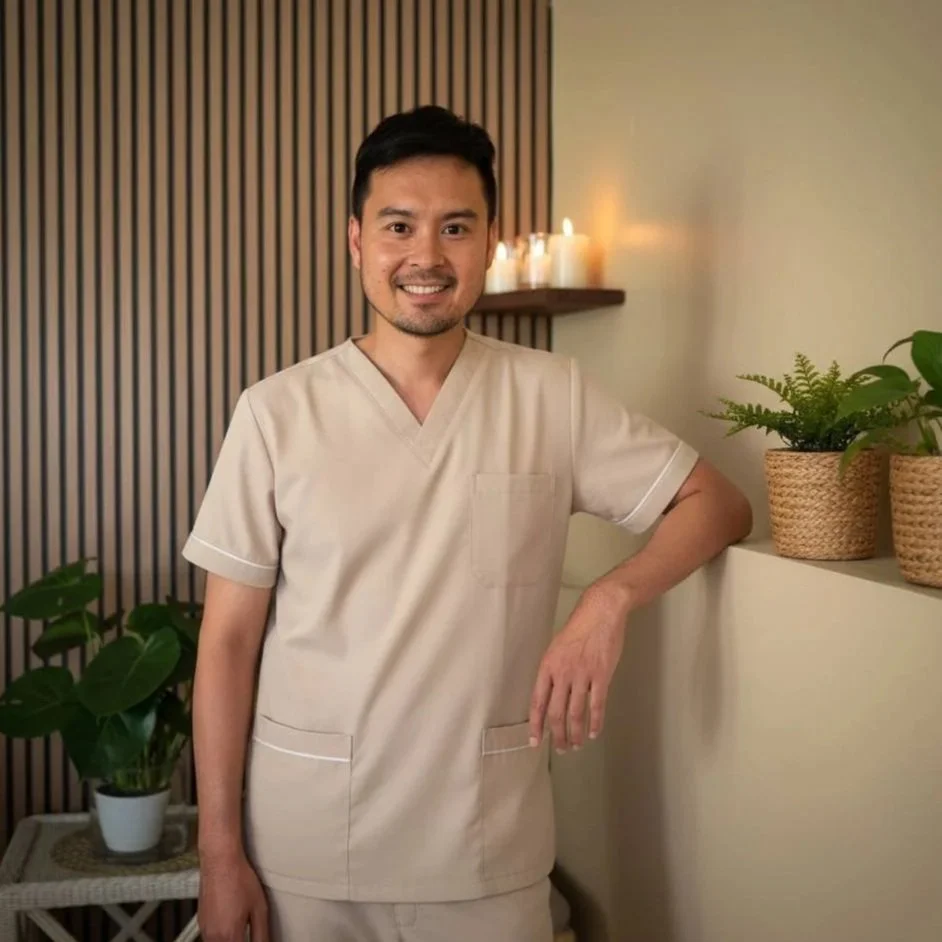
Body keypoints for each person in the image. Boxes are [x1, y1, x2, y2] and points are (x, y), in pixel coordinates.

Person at [183, 105, 752, 942]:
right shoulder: (275, 413)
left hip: (487, 853)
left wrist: (608, 599)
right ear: (355, 242)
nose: (426, 256)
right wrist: (219, 854)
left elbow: (720, 505)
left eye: (455, 227)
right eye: (398, 226)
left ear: (488, 242)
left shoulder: (552, 396)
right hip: (307, 853)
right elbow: (227, 642)